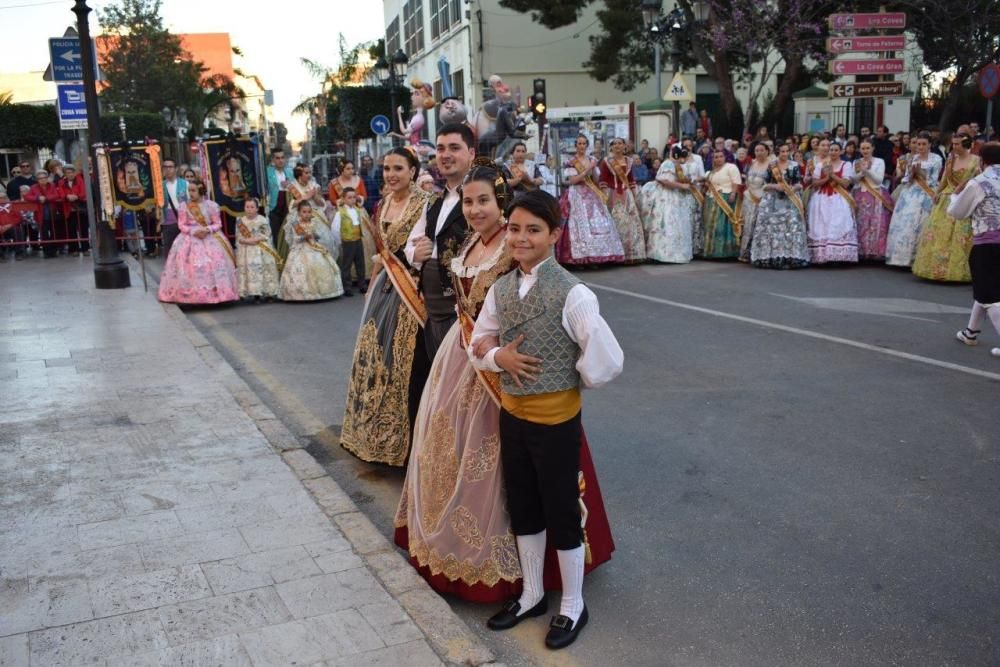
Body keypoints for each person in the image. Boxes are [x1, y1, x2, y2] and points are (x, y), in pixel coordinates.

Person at [470, 189, 623, 650]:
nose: (521, 238)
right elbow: (477, 344)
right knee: (524, 505)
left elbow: (606, 358)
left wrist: (567, 376)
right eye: (514, 229)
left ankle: (573, 603)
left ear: (554, 235)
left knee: (560, 510)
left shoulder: (573, 292)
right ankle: (533, 593)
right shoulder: (501, 289)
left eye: (533, 230)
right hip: (514, 417)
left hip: (556, 422)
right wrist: (501, 358)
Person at [341, 147, 433, 467]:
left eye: (398, 168)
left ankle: (406, 446)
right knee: (374, 356)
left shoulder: (425, 203)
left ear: (412, 171)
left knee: (406, 365)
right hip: (385, 289)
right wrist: (372, 284)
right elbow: (382, 253)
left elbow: (426, 251)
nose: (391, 174)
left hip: (413, 292)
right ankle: (372, 434)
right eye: (387, 168)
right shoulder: (381, 205)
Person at [405, 123, 477, 360]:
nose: (445, 155)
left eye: (454, 148)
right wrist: (417, 253)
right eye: (441, 148)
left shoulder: (482, 199)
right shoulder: (433, 201)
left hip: (465, 314)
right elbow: (410, 247)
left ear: (472, 153)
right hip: (433, 311)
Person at [950, 142, 1000, 358]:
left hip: (988, 242)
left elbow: (958, 211)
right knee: (985, 288)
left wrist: (955, 195)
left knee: (989, 294)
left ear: (982, 160)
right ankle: (970, 332)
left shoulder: (980, 182)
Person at [911, 132, 981, 282]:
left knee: (961, 236)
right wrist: (938, 192)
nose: (954, 147)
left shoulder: (976, 160)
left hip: (964, 199)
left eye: (957, 144)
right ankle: (937, 269)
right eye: (953, 144)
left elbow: (977, 180)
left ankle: (960, 270)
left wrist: (962, 188)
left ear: (966, 145)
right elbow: (944, 178)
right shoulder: (950, 158)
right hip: (947, 199)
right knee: (939, 233)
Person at [157, 180, 239, 304]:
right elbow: (181, 224)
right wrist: (192, 231)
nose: (190, 193)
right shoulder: (184, 206)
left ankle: (219, 293)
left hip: (210, 237)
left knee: (215, 264)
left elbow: (218, 223)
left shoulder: (212, 205)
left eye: (193, 190)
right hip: (189, 238)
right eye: (189, 190)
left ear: (201, 191)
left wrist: (208, 229)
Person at [556, 135, 625, 266]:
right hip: (576, 194)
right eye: (579, 144)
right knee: (577, 224)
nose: (581, 146)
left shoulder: (592, 159)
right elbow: (573, 180)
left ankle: (600, 254)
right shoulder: (571, 161)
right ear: (576, 145)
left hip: (592, 193)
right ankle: (580, 256)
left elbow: (597, 180)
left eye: (584, 144)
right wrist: (588, 168)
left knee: (599, 223)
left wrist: (593, 169)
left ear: (587, 146)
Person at [886, 132, 944, 268]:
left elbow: (934, 179)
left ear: (930, 145)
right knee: (907, 223)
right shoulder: (912, 158)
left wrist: (921, 172)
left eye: (924, 144)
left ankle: (921, 258)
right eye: (919, 144)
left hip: (927, 193)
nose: (921, 147)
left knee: (923, 222)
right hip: (911, 192)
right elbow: (906, 179)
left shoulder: (936, 159)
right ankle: (903, 258)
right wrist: (912, 173)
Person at [751, 143, 809, 269]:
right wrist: (775, 186)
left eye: (786, 151)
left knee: (791, 227)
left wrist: (793, 189)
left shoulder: (794, 165)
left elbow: (799, 183)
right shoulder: (772, 166)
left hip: (790, 199)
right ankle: (770, 256)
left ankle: (790, 257)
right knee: (771, 228)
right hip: (772, 200)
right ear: (778, 152)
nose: (784, 154)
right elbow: (764, 185)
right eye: (782, 151)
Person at [640, 146, 700, 263]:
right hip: (666, 197)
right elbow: (664, 180)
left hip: (676, 197)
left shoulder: (677, 166)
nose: (685, 159)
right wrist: (682, 186)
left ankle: (675, 253)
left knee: (676, 224)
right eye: (683, 157)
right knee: (666, 222)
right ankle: (662, 253)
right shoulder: (668, 163)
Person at [279, 200, 344, 301]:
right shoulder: (295, 224)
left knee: (320, 265)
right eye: (304, 212)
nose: (307, 214)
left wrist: (314, 235)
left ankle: (321, 292)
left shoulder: (314, 222)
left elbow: (318, 236)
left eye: (309, 212)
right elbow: (295, 239)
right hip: (300, 249)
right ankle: (300, 293)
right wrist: (305, 236)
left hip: (314, 247)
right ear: (299, 213)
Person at [807, 142, 858, 264]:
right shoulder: (821, 165)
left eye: (836, 150)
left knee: (838, 223)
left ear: (841, 152)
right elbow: (814, 183)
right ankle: (822, 255)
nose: (833, 152)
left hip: (839, 198)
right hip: (821, 198)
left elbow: (846, 183)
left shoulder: (846, 164)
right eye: (831, 150)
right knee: (821, 225)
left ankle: (838, 256)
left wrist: (832, 175)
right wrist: (826, 178)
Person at [599, 137, 646, 263]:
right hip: (612, 194)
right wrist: (605, 198)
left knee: (631, 224)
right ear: (611, 147)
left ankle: (631, 254)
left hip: (627, 194)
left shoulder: (629, 161)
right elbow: (602, 180)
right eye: (615, 144)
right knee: (616, 222)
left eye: (620, 143)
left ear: (624, 147)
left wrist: (635, 196)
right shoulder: (607, 161)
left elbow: (631, 180)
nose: (618, 146)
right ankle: (616, 253)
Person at [278, 164, 334, 262]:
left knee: (323, 240)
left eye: (310, 172)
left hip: (315, 213)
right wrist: (306, 197)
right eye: (306, 173)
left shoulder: (314, 185)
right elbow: (290, 205)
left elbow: (321, 203)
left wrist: (315, 196)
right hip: (298, 215)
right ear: (299, 174)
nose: (309, 175)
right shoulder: (291, 187)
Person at [851, 139, 894, 261]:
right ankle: (861, 251)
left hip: (874, 194)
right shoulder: (856, 161)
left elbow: (879, 180)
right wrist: (860, 173)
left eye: (867, 148)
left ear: (872, 148)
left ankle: (875, 252)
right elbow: (853, 180)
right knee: (861, 223)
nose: (865, 151)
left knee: (874, 224)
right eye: (863, 148)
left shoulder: (879, 161)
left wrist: (867, 171)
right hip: (859, 194)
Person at [235, 197, 281, 302]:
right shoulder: (240, 221)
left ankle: (269, 293)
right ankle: (256, 294)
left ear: (257, 209)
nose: (249, 209)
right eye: (247, 207)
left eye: (252, 207)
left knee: (265, 270)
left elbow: (267, 234)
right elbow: (238, 237)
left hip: (261, 248)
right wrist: (247, 241)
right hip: (246, 249)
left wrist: (256, 239)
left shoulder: (262, 220)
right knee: (250, 271)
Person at [701, 149, 742, 259]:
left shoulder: (731, 167)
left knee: (723, 225)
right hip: (712, 199)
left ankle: (726, 252)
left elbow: (736, 181)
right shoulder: (711, 172)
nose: (718, 159)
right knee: (711, 226)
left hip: (726, 198)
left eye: (720, 156)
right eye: (716, 157)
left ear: (725, 157)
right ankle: (712, 252)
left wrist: (733, 194)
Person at [332, 187, 370, 296]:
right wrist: (340, 241)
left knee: (360, 263)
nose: (352, 200)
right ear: (343, 199)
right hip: (347, 241)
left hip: (358, 239)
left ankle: (362, 284)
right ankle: (347, 286)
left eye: (354, 197)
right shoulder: (340, 213)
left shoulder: (357, 210)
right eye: (349, 198)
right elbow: (335, 228)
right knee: (347, 264)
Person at [740, 142, 772, 262]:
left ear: (767, 151)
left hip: (763, 200)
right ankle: (745, 253)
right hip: (749, 199)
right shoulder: (751, 163)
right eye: (757, 150)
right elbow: (746, 180)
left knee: (759, 227)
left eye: (761, 150)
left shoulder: (771, 165)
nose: (759, 152)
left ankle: (758, 253)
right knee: (747, 225)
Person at [24, 170, 63, 258]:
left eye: (44, 178)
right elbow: (27, 196)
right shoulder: (34, 187)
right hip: (41, 214)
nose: (42, 180)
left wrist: (46, 198)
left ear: (47, 178)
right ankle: (46, 251)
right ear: (37, 180)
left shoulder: (52, 185)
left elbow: (57, 195)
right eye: (40, 178)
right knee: (44, 233)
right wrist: (38, 198)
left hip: (52, 212)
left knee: (54, 232)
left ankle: (54, 250)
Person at [58, 165, 88, 256]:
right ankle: (73, 249)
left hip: (80, 207)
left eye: (72, 172)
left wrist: (76, 196)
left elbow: (83, 192)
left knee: (83, 229)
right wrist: (67, 196)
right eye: (68, 173)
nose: (70, 174)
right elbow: (60, 193)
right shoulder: (61, 182)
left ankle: (85, 248)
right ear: (65, 174)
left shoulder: (80, 180)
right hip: (69, 209)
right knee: (71, 229)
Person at [266, 149, 293, 244]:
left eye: (282, 157)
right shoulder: (267, 172)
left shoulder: (290, 172)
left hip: (287, 206)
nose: (280, 160)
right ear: (273, 160)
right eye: (277, 158)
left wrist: (289, 185)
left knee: (288, 233)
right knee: (276, 234)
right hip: (274, 207)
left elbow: (295, 188)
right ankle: (278, 256)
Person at [0, 191, 26, 260]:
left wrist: (10, 225)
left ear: (7, 198)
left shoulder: (12, 206)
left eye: (4, 198)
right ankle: (1, 254)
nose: (2, 199)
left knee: (17, 231)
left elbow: (19, 218)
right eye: (0, 198)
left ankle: (19, 253)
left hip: (11, 226)